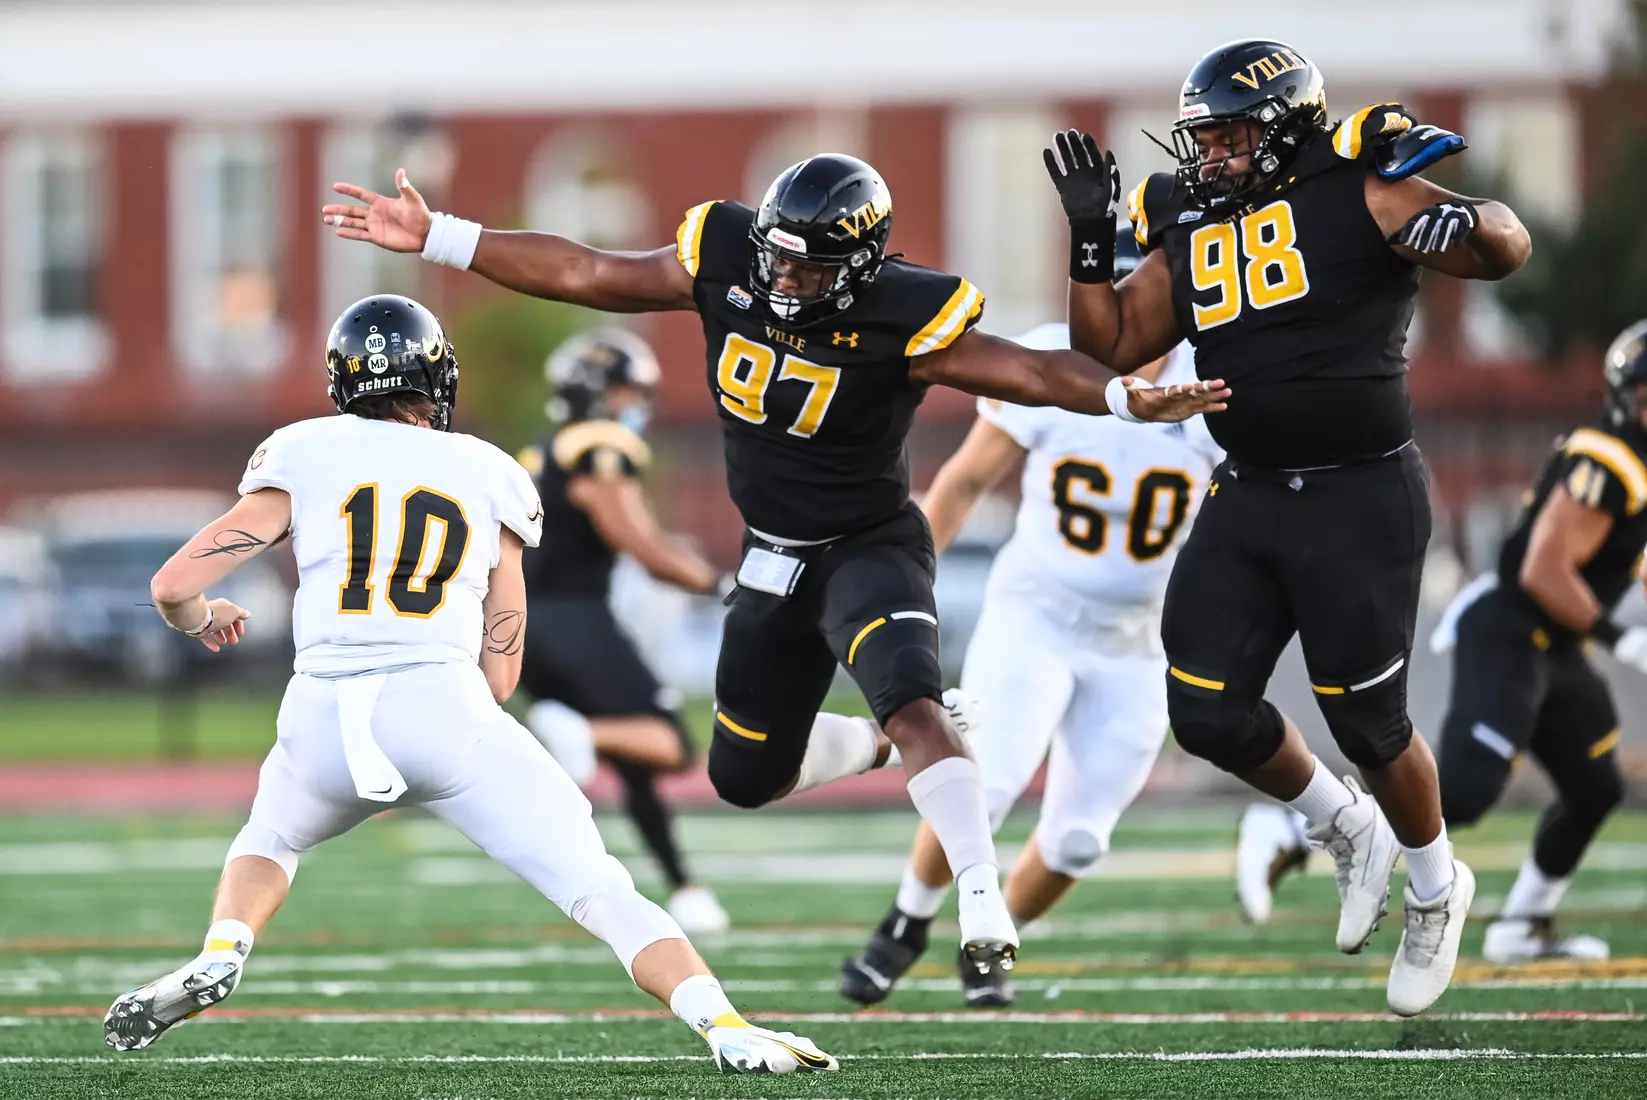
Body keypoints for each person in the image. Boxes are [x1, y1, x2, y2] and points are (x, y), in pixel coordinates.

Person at [322, 153, 1227, 975]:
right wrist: (440, 236)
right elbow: (590, 273)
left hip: (869, 545)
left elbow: (1018, 371)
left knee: (911, 699)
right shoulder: (726, 255)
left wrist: (1117, 396)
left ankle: (980, 894)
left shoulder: (904, 309)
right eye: (778, 256)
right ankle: (879, 743)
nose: (786, 276)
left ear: (864, 263)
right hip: (770, 556)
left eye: (810, 265)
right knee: (743, 778)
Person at [102, 297, 834, 1076]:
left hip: (320, 713)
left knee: (271, 838)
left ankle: (224, 947)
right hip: (439, 703)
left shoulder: (301, 450)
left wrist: (204, 617)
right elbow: (502, 663)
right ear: (436, 376)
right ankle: (721, 1024)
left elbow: (172, 584)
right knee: (596, 886)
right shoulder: (489, 471)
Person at [1042, 38, 1531, 1016]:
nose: (1210, 155)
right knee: (1208, 711)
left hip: (1360, 493)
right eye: (1203, 136)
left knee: (1368, 719)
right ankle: (1342, 823)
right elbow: (1111, 345)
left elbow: (1506, 245)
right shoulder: (1186, 216)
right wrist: (1091, 240)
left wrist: (1469, 226)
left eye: (1228, 134)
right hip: (1252, 487)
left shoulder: (1362, 179)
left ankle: (1438, 886)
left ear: (1283, 126)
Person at [841, 229, 1221, 1007]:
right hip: (1035, 615)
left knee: (1080, 837)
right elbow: (962, 482)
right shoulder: (1056, 364)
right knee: (983, 781)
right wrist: (901, 589)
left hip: (1136, 640)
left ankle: (992, 937)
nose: (1118, 328)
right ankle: (905, 924)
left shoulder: (1209, 389)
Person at [1428, 321, 1647, 962]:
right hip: (1510, 628)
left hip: (1553, 643)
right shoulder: (1610, 458)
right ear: (1626, 395)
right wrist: (1623, 640)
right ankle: (1302, 831)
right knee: (1465, 794)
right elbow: (1543, 570)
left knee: (1595, 787)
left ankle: (1521, 926)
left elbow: (1619, 565)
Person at [516, 327, 730, 934]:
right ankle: (574, 730)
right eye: (632, 391)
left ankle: (686, 888)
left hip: (527, 625)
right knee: (669, 743)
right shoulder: (598, 445)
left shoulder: (543, 447)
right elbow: (641, 544)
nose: (639, 405)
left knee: (635, 765)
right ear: (603, 392)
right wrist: (721, 586)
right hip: (574, 620)